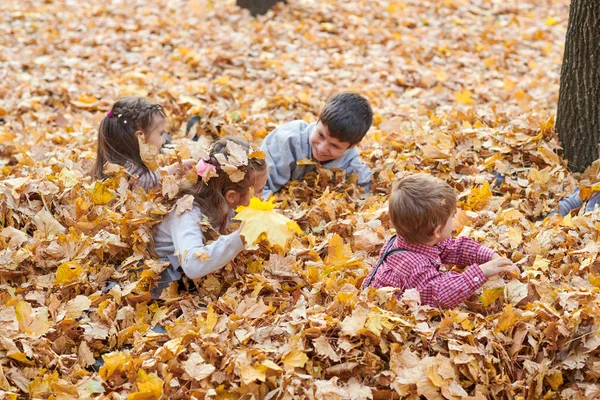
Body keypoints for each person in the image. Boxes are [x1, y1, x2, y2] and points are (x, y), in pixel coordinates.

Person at [362, 173, 517, 309]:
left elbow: (453, 248)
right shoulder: (415, 266)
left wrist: (490, 256)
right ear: (436, 231)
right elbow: (442, 294)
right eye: (452, 217)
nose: (454, 219)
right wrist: (481, 272)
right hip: (386, 310)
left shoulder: (411, 240)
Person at [152, 138, 268, 297]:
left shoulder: (223, 200)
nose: (262, 197)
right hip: (166, 276)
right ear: (232, 196)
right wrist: (240, 237)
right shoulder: (186, 212)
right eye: (259, 191)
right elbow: (192, 265)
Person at [260, 92, 373, 197]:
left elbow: (365, 194)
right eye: (320, 135)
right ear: (318, 120)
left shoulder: (351, 162)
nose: (321, 148)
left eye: (335, 146)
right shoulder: (288, 140)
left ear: (352, 146)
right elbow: (257, 188)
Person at [92, 96, 194, 190]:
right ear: (140, 137)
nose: (162, 140)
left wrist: (178, 166)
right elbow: (156, 180)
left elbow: (156, 176)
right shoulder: (137, 179)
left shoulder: (123, 164)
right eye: (160, 133)